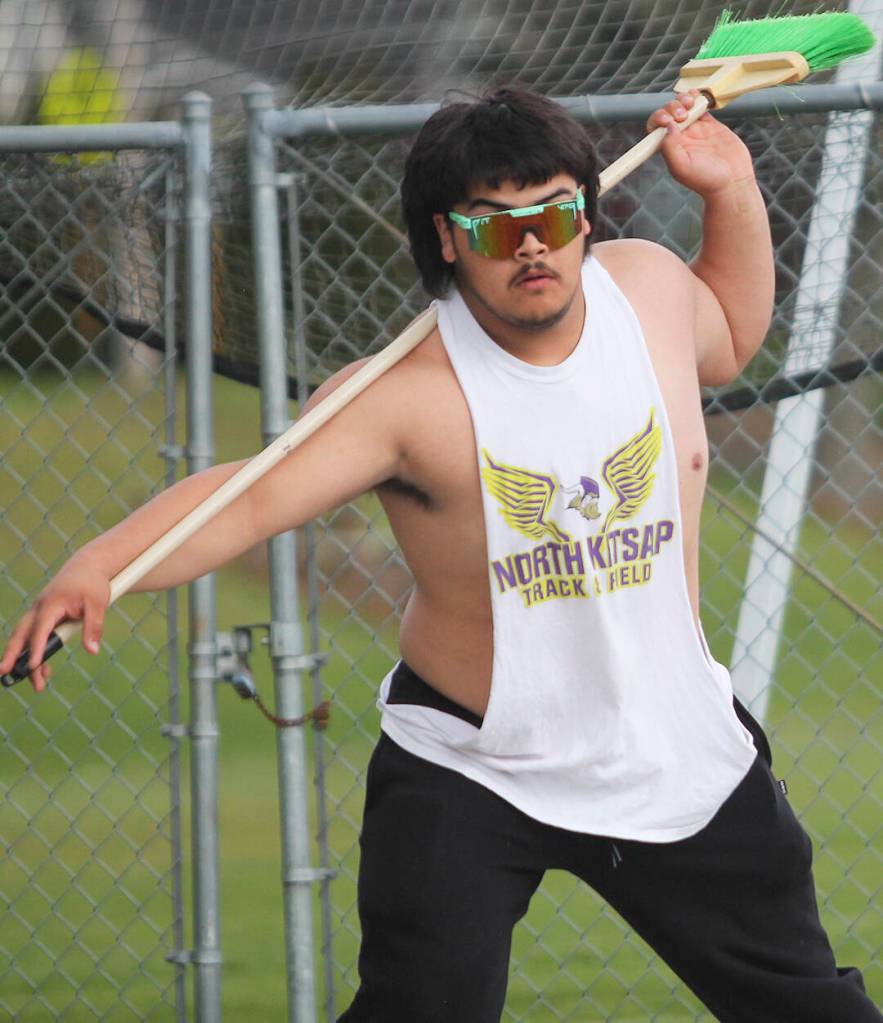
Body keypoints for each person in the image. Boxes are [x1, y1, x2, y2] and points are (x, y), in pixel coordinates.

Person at [2, 87, 879, 1023]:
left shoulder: (652, 291)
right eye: (499, 229)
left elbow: (731, 337)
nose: (533, 247)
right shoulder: (400, 398)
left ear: (586, 210)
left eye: (552, 214)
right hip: (473, 764)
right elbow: (250, 494)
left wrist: (732, 190)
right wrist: (99, 563)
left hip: (670, 748)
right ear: (448, 240)